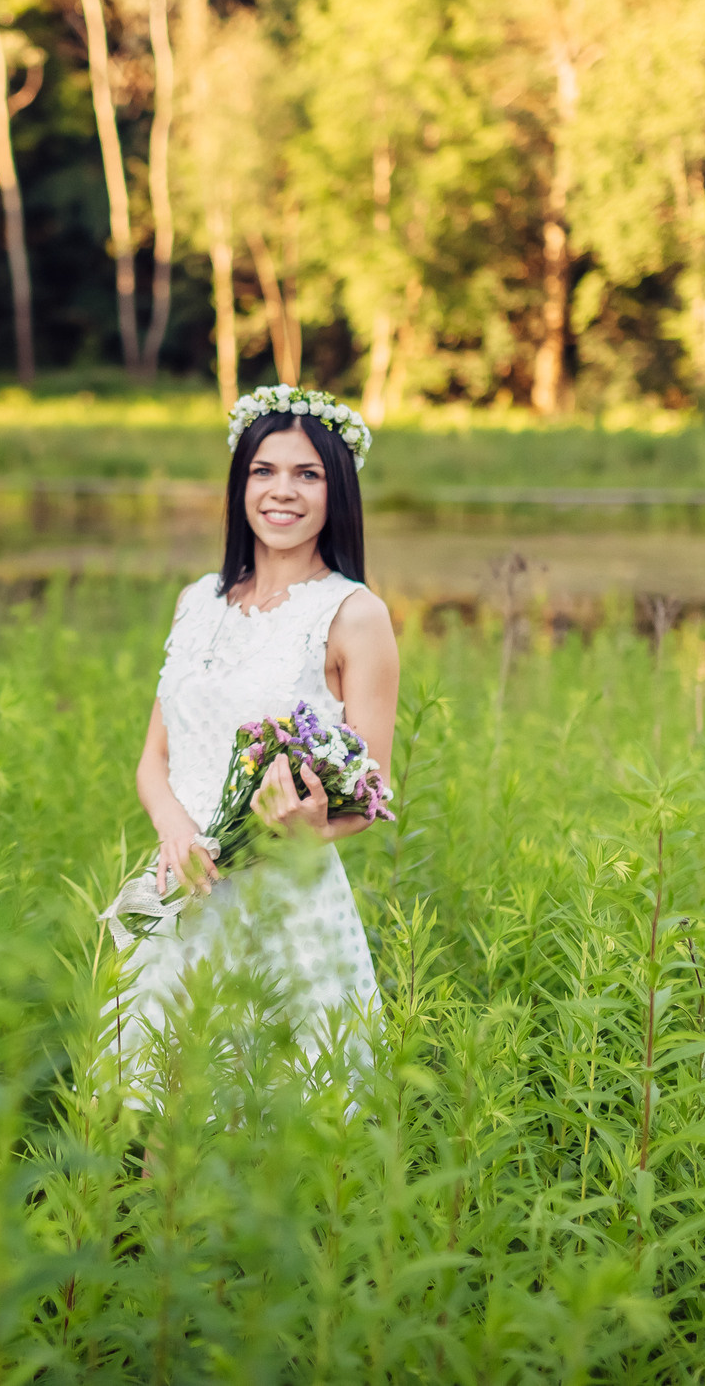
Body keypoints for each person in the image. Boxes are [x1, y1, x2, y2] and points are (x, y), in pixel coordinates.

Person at [116, 385, 400, 1096]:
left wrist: (308, 828)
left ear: (337, 490)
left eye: (308, 474)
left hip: (285, 901)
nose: (282, 491)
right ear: (240, 483)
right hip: (183, 889)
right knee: (168, 1114)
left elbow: (373, 792)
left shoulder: (354, 613)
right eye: (263, 470)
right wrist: (177, 831)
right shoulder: (197, 600)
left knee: (278, 1117)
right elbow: (154, 758)